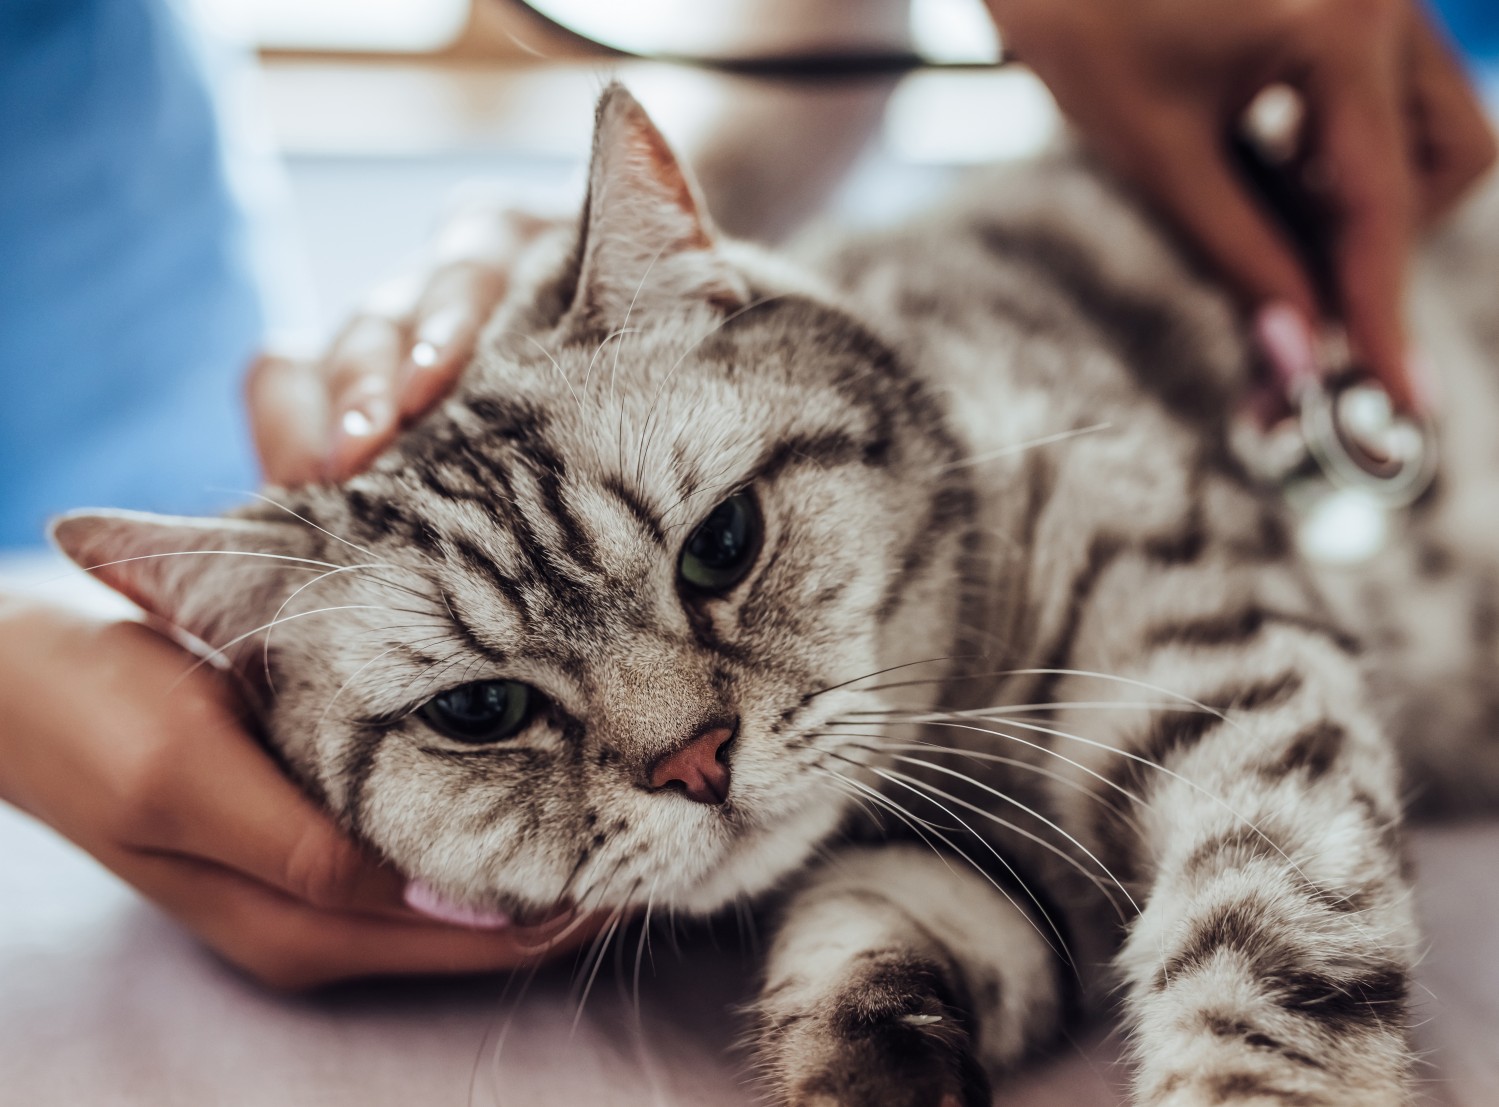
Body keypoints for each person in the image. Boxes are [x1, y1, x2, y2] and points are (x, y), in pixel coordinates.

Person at [1, 0, 1493, 990]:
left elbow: (816, 45)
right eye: (480, 708)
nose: (687, 751)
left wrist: (655, 251)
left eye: (720, 548)